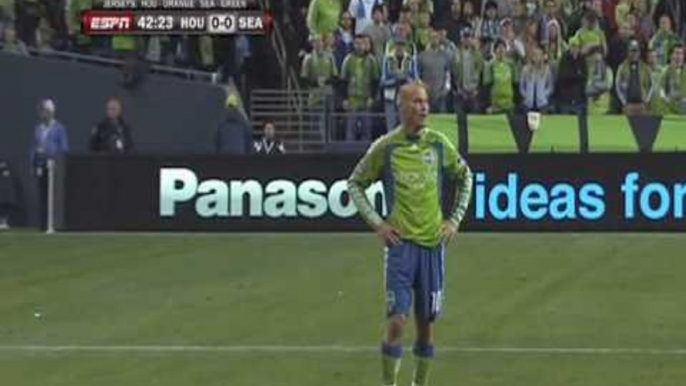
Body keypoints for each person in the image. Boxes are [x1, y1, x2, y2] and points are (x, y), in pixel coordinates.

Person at [347, 81, 472, 386]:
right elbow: (355, 183)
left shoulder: (438, 143)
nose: (424, 107)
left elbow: (465, 175)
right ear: (401, 107)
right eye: (416, 102)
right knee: (396, 324)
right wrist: (378, 223)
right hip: (401, 248)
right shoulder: (386, 147)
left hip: (432, 246)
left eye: (426, 101)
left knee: (426, 327)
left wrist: (454, 219)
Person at [30, 99, 68, 230]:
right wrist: (33, 164)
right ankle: (42, 224)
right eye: (41, 111)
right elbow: (34, 147)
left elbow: (63, 148)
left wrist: (57, 160)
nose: (41, 114)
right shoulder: (38, 128)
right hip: (41, 164)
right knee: (42, 194)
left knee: (53, 196)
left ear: (51, 112)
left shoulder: (59, 128)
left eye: (44, 111)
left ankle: (54, 224)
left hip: (54, 166)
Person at [341, 34, 380, 141]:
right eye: (357, 43)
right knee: (350, 129)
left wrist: (372, 97)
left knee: (367, 128)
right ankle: (348, 152)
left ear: (365, 45)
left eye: (362, 43)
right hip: (352, 99)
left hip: (366, 99)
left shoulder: (371, 60)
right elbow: (343, 81)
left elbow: (375, 80)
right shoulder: (348, 59)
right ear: (353, 45)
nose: (359, 46)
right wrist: (344, 99)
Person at [381, 36, 419, 132]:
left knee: (406, 124)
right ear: (394, 46)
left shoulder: (411, 60)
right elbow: (382, 81)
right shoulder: (387, 60)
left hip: (407, 97)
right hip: (391, 96)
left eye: (402, 45)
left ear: (405, 47)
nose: (400, 48)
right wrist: (394, 81)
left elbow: (416, 80)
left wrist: (406, 80)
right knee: (391, 126)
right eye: (398, 45)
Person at [418, 29, 452, 113]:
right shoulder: (422, 56)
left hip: (441, 95)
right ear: (429, 39)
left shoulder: (445, 56)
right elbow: (417, 75)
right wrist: (422, 88)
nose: (435, 40)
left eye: (436, 38)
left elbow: (448, 75)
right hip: (426, 95)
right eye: (432, 37)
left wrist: (445, 90)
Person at [616, 40, 652, 115]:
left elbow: (651, 85)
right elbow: (618, 86)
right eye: (632, 51)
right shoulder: (622, 67)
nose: (634, 54)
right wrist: (624, 103)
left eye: (636, 51)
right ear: (628, 52)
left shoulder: (645, 67)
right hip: (628, 105)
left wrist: (646, 101)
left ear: (639, 52)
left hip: (641, 104)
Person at [483, 39, 517, 113]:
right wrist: (488, 105)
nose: (501, 51)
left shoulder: (510, 64)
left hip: (509, 104)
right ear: (495, 51)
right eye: (499, 48)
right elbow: (487, 86)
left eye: (503, 48)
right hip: (496, 105)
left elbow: (515, 83)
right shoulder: (490, 65)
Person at [519, 44, 554, 112]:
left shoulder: (546, 70)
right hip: (528, 104)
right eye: (535, 54)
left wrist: (544, 94)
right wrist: (526, 95)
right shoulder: (526, 70)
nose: (537, 57)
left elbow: (550, 86)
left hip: (542, 104)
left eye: (539, 54)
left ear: (542, 56)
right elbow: (522, 86)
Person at [660, 44, 686, 114]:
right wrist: (666, 100)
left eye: (681, 53)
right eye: (677, 53)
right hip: (671, 109)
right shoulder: (665, 71)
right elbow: (661, 89)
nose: (679, 56)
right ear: (671, 56)